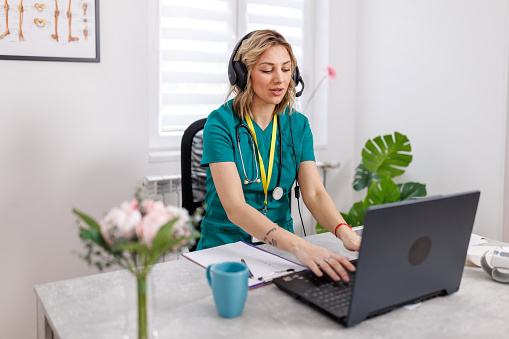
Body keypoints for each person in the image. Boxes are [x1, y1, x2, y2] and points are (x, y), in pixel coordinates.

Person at [195, 30, 361, 282]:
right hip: (225, 247)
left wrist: (344, 232)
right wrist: (299, 246)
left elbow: (314, 193)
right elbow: (236, 208)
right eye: (267, 69)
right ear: (243, 74)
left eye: (286, 69)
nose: (279, 80)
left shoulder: (298, 125)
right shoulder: (220, 123)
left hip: (279, 250)